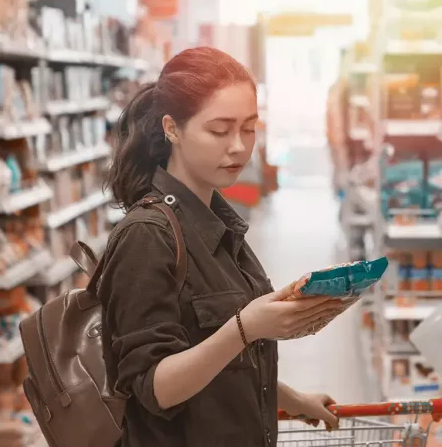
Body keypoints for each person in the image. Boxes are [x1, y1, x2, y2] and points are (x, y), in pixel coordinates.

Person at [101, 47, 342, 447]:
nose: (238, 146)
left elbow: (217, 366)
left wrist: (292, 400)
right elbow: (153, 387)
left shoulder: (220, 224)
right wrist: (246, 328)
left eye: (249, 128)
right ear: (172, 129)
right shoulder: (147, 236)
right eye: (219, 130)